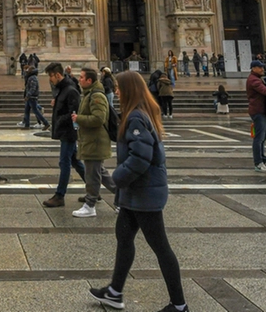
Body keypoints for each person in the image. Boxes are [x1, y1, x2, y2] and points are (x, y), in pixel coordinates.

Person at [88, 70, 187, 312]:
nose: (117, 91)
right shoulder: (138, 114)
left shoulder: (136, 118)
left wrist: (117, 179)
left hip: (144, 192)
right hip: (136, 193)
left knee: (161, 247)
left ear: (129, 90)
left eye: (119, 88)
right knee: (123, 237)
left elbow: (141, 158)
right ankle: (114, 292)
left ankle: (180, 305)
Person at [73, 67, 115, 217]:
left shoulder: (97, 96)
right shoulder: (88, 94)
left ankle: (90, 204)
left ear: (89, 80)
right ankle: (122, 197)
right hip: (91, 140)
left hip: (96, 141)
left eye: (82, 77)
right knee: (101, 173)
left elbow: (99, 119)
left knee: (93, 174)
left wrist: (79, 119)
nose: (79, 79)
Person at [43, 62, 82, 209]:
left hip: (69, 132)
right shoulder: (63, 89)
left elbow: (75, 112)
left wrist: (59, 118)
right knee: (76, 162)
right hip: (66, 131)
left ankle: (60, 195)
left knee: (64, 162)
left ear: (58, 75)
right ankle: (94, 189)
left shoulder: (70, 90)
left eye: (51, 76)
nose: (50, 80)